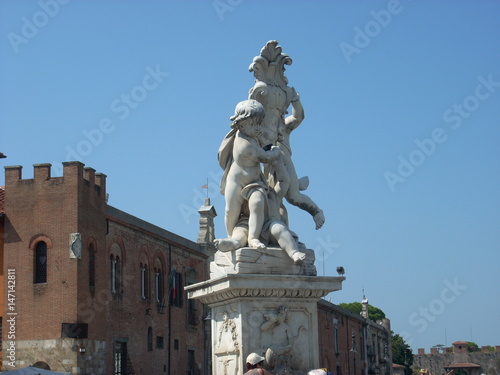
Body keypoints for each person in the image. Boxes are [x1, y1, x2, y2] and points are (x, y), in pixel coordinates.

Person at [218, 99, 281, 249]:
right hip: (237, 181)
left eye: (259, 123)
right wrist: (276, 151)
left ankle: (253, 238)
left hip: (254, 182)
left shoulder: (251, 135)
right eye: (252, 124)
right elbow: (264, 157)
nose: (257, 127)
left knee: (257, 204)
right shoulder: (244, 143)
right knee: (231, 210)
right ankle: (231, 236)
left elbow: (261, 146)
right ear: (240, 124)